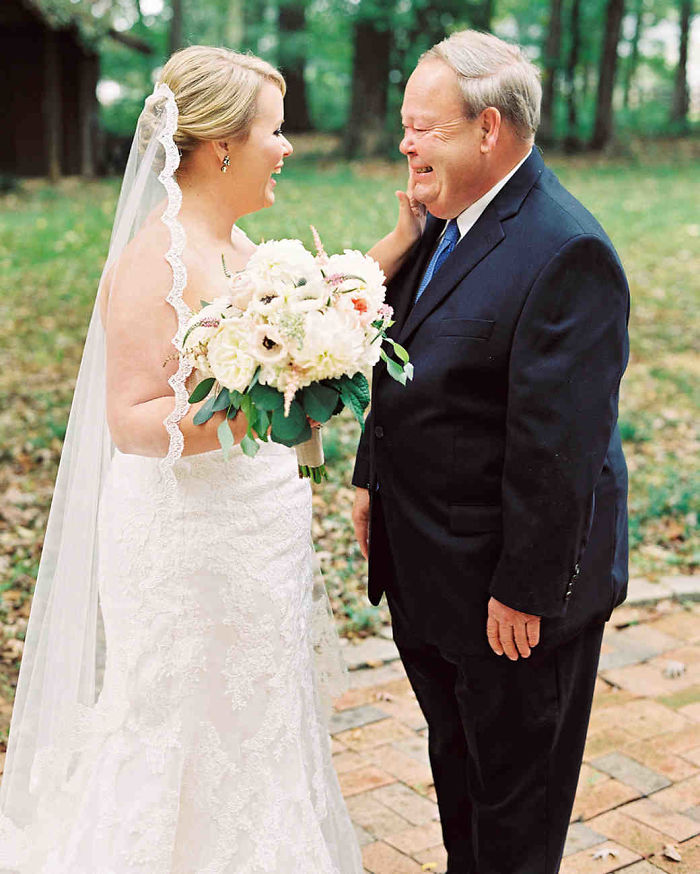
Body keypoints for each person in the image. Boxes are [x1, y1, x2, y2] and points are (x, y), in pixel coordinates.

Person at [0, 46, 420, 873]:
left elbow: (299, 323)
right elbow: (128, 420)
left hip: (257, 532)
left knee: (257, 719)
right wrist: (245, 392)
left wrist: (393, 250)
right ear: (222, 144)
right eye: (276, 128)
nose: (289, 146)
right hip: (184, 545)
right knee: (174, 720)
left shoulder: (240, 244)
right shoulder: (155, 260)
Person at [352, 30, 630, 874]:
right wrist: (371, 479)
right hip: (430, 570)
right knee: (460, 777)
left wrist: (524, 592)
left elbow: (559, 448)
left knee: (517, 807)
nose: (406, 143)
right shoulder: (437, 224)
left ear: (491, 130)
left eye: (424, 127)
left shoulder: (566, 251)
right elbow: (402, 363)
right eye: (405, 124)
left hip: (512, 603)